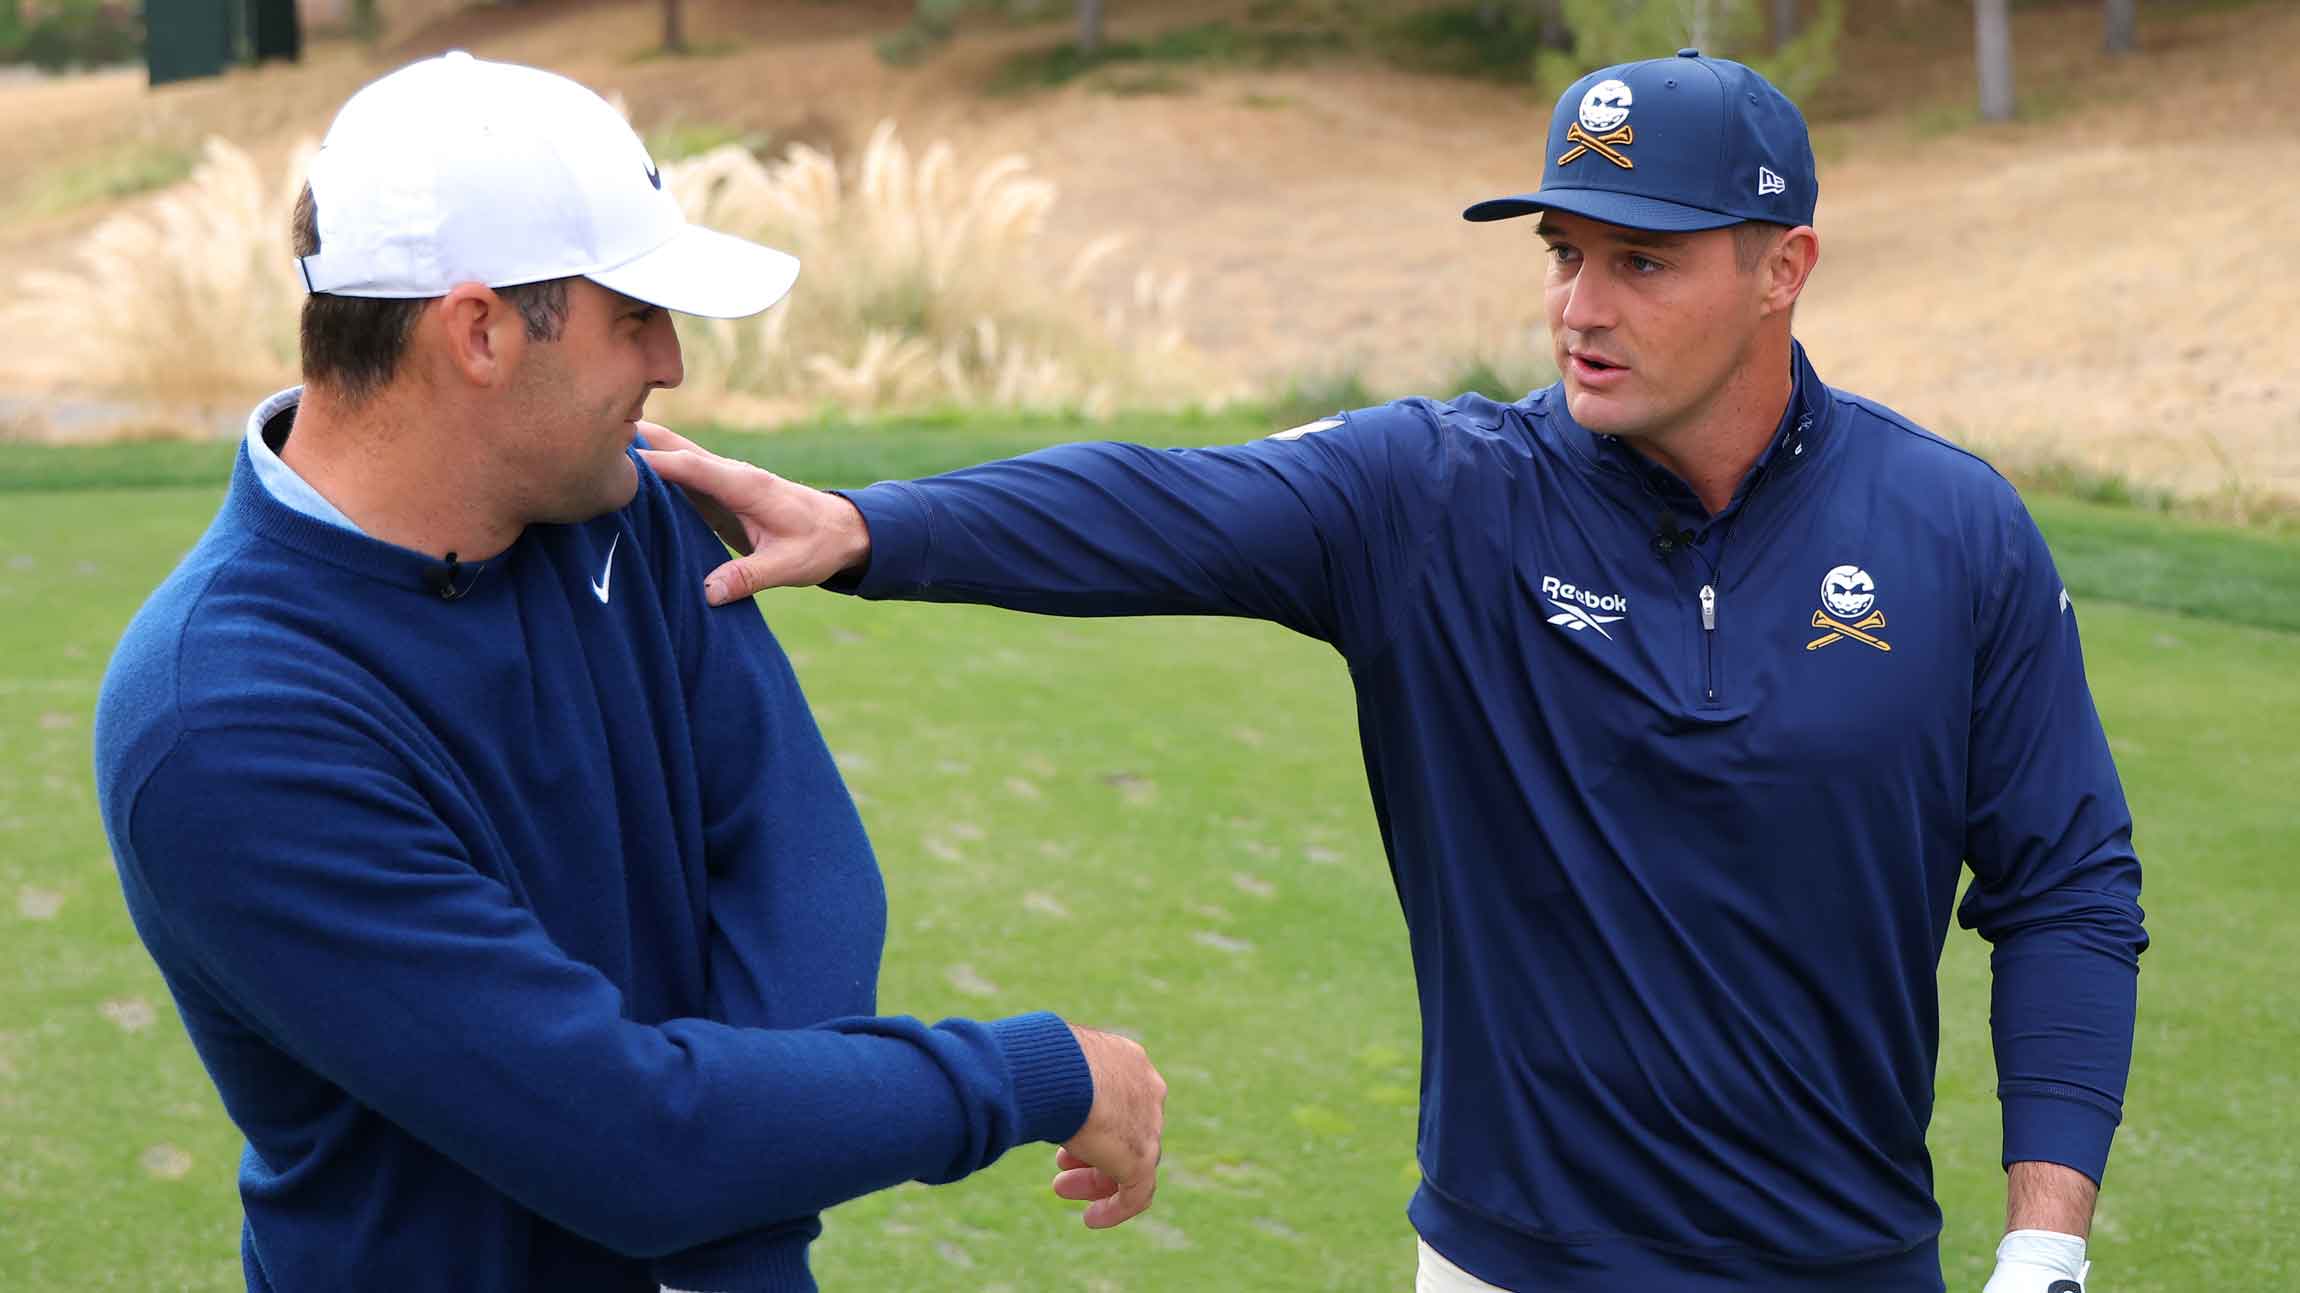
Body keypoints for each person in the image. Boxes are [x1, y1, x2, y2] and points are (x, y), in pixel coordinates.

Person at [638, 50, 2146, 1293]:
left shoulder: (1953, 530)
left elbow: (2068, 884)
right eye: (1564, 254)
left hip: (1853, 1267)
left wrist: (2043, 1245)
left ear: (1784, 267)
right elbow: (1160, 503)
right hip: (1509, 1269)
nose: (1580, 306)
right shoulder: (1439, 494)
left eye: (1643, 260)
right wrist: (867, 524)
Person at [91, 53, 1166, 1293]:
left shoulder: (618, 503)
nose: (672, 362)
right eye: (632, 316)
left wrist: (735, 1184)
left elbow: (792, 851)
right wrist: (1030, 1074)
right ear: (479, 331)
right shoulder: (223, 720)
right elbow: (628, 1142)